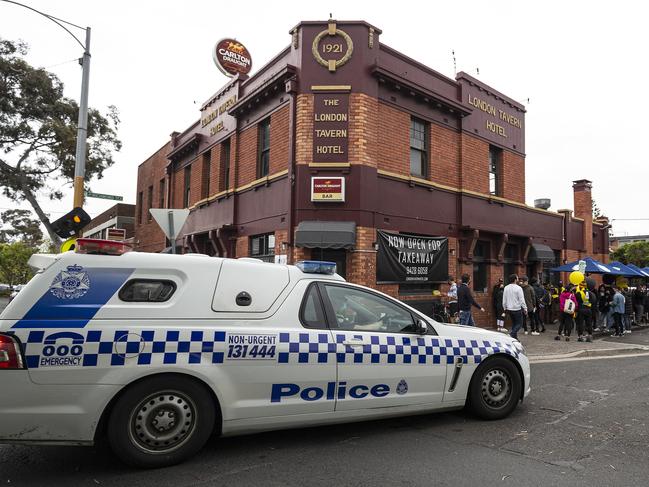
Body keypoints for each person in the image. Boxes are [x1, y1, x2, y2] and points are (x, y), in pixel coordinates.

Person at [503, 274, 527, 339]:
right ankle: (511, 334)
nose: (518, 280)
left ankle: (515, 339)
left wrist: (505, 308)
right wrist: (525, 308)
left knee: (514, 324)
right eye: (517, 278)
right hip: (517, 309)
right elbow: (522, 300)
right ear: (515, 280)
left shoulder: (506, 287)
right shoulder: (519, 288)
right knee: (520, 324)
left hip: (509, 309)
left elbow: (504, 299)